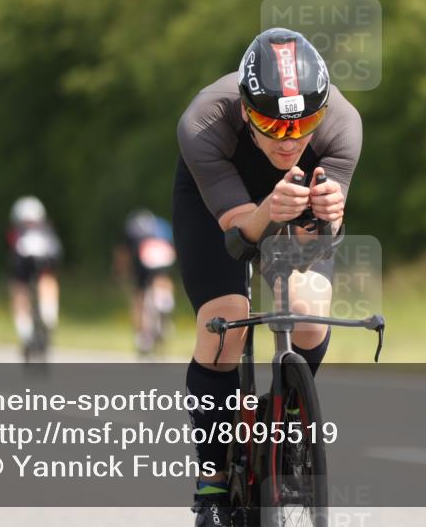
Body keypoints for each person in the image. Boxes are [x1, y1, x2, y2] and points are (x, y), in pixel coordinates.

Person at [173, 28, 361, 525]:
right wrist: (267, 211)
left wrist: (328, 217)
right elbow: (239, 240)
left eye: (303, 127)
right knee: (225, 321)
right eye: (272, 126)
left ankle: (291, 413)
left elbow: (313, 244)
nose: (290, 140)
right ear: (243, 109)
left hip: (296, 204)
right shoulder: (203, 121)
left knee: (308, 313)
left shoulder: (342, 125)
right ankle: (212, 481)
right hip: (222, 202)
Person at [114, 209, 177, 356]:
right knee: (163, 277)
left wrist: (121, 274)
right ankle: (166, 302)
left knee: (139, 295)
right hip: (164, 256)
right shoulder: (162, 226)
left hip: (144, 259)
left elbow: (123, 254)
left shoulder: (132, 231)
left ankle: (142, 336)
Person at [6, 196, 63, 358]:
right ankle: (49, 314)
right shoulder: (47, 228)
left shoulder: (16, 231)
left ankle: (24, 329)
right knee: (48, 280)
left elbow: (12, 257)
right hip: (46, 264)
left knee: (19, 289)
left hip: (24, 267)